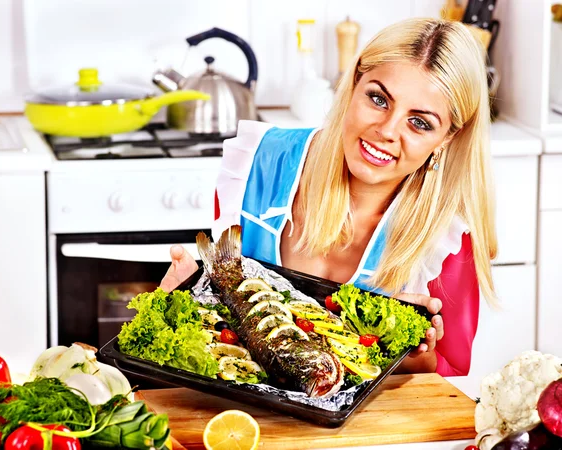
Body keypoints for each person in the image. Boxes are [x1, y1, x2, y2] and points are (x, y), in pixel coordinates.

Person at [160, 17, 497, 377]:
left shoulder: (446, 240)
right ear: (354, 85)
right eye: (379, 99)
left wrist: (406, 353)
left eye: (420, 122)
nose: (386, 131)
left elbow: (449, 377)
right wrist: (183, 299)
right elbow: (224, 332)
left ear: (446, 137)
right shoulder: (255, 166)